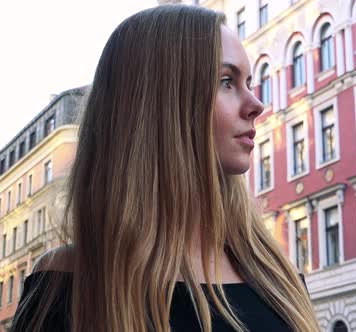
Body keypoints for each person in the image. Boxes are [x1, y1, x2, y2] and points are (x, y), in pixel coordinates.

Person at [11, 4, 320, 332]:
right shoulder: (67, 283)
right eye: (227, 81)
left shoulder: (276, 277)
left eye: (249, 82)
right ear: (163, 100)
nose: (256, 105)